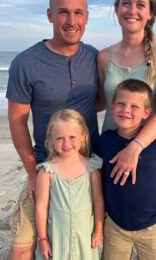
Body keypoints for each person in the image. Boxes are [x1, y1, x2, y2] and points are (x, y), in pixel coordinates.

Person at [6, 0, 99, 259]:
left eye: (78, 13)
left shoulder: (95, 57)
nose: (72, 21)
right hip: (46, 166)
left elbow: (106, 101)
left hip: (89, 166)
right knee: (22, 247)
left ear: (87, 16)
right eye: (63, 13)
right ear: (49, 15)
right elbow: (17, 120)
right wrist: (33, 172)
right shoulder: (25, 63)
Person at [97, 0, 156, 186]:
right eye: (126, 3)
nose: (132, 10)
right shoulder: (104, 56)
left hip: (150, 148)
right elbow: (98, 103)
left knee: (148, 209)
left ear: (150, 14)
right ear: (117, 10)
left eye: (140, 5)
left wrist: (135, 147)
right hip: (111, 146)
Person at [96, 79, 156, 259]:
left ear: (146, 113)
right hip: (115, 225)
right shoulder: (104, 141)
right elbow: (100, 176)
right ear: (112, 106)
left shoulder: (155, 141)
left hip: (152, 227)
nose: (126, 110)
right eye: (121, 104)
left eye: (134, 106)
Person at [35, 109, 104, 260]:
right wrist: (43, 240)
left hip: (84, 238)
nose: (66, 143)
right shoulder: (47, 171)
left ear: (83, 136)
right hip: (57, 239)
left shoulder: (92, 168)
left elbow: (98, 201)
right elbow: (41, 207)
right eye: (60, 138)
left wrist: (98, 231)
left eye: (72, 137)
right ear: (51, 139)